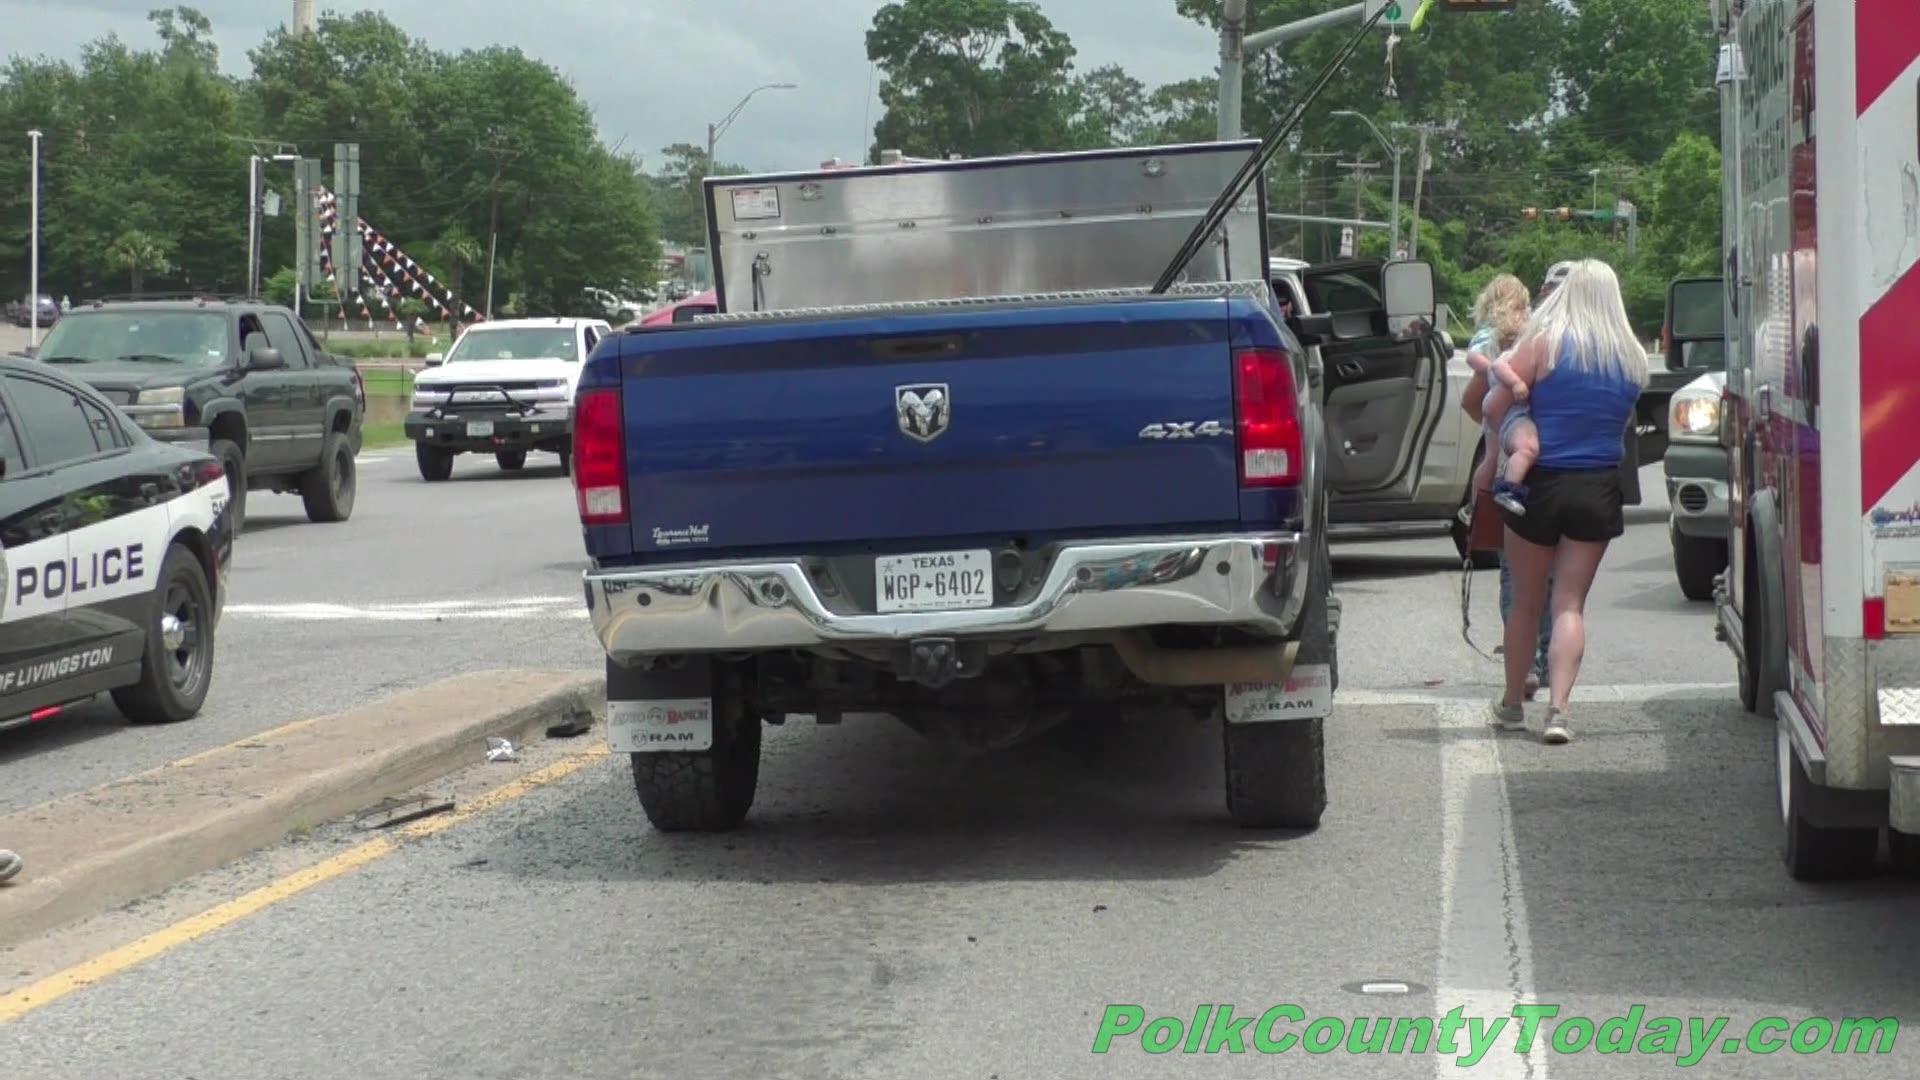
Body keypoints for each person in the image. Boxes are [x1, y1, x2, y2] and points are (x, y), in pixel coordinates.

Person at [1487, 259, 1649, 744]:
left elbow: (1494, 405)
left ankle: (1513, 704)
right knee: (1569, 604)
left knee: (1525, 602)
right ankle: (1558, 711)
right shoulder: (1630, 357)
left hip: (1541, 481)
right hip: (1598, 484)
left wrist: (1518, 414)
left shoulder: (1546, 343)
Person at [1460, 274, 1553, 698]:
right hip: (1549, 464)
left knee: (1513, 575)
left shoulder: (1488, 342)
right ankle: (1550, 658)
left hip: (1504, 465)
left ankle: (1524, 662)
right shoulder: (1540, 338)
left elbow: (1471, 403)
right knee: (1551, 575)